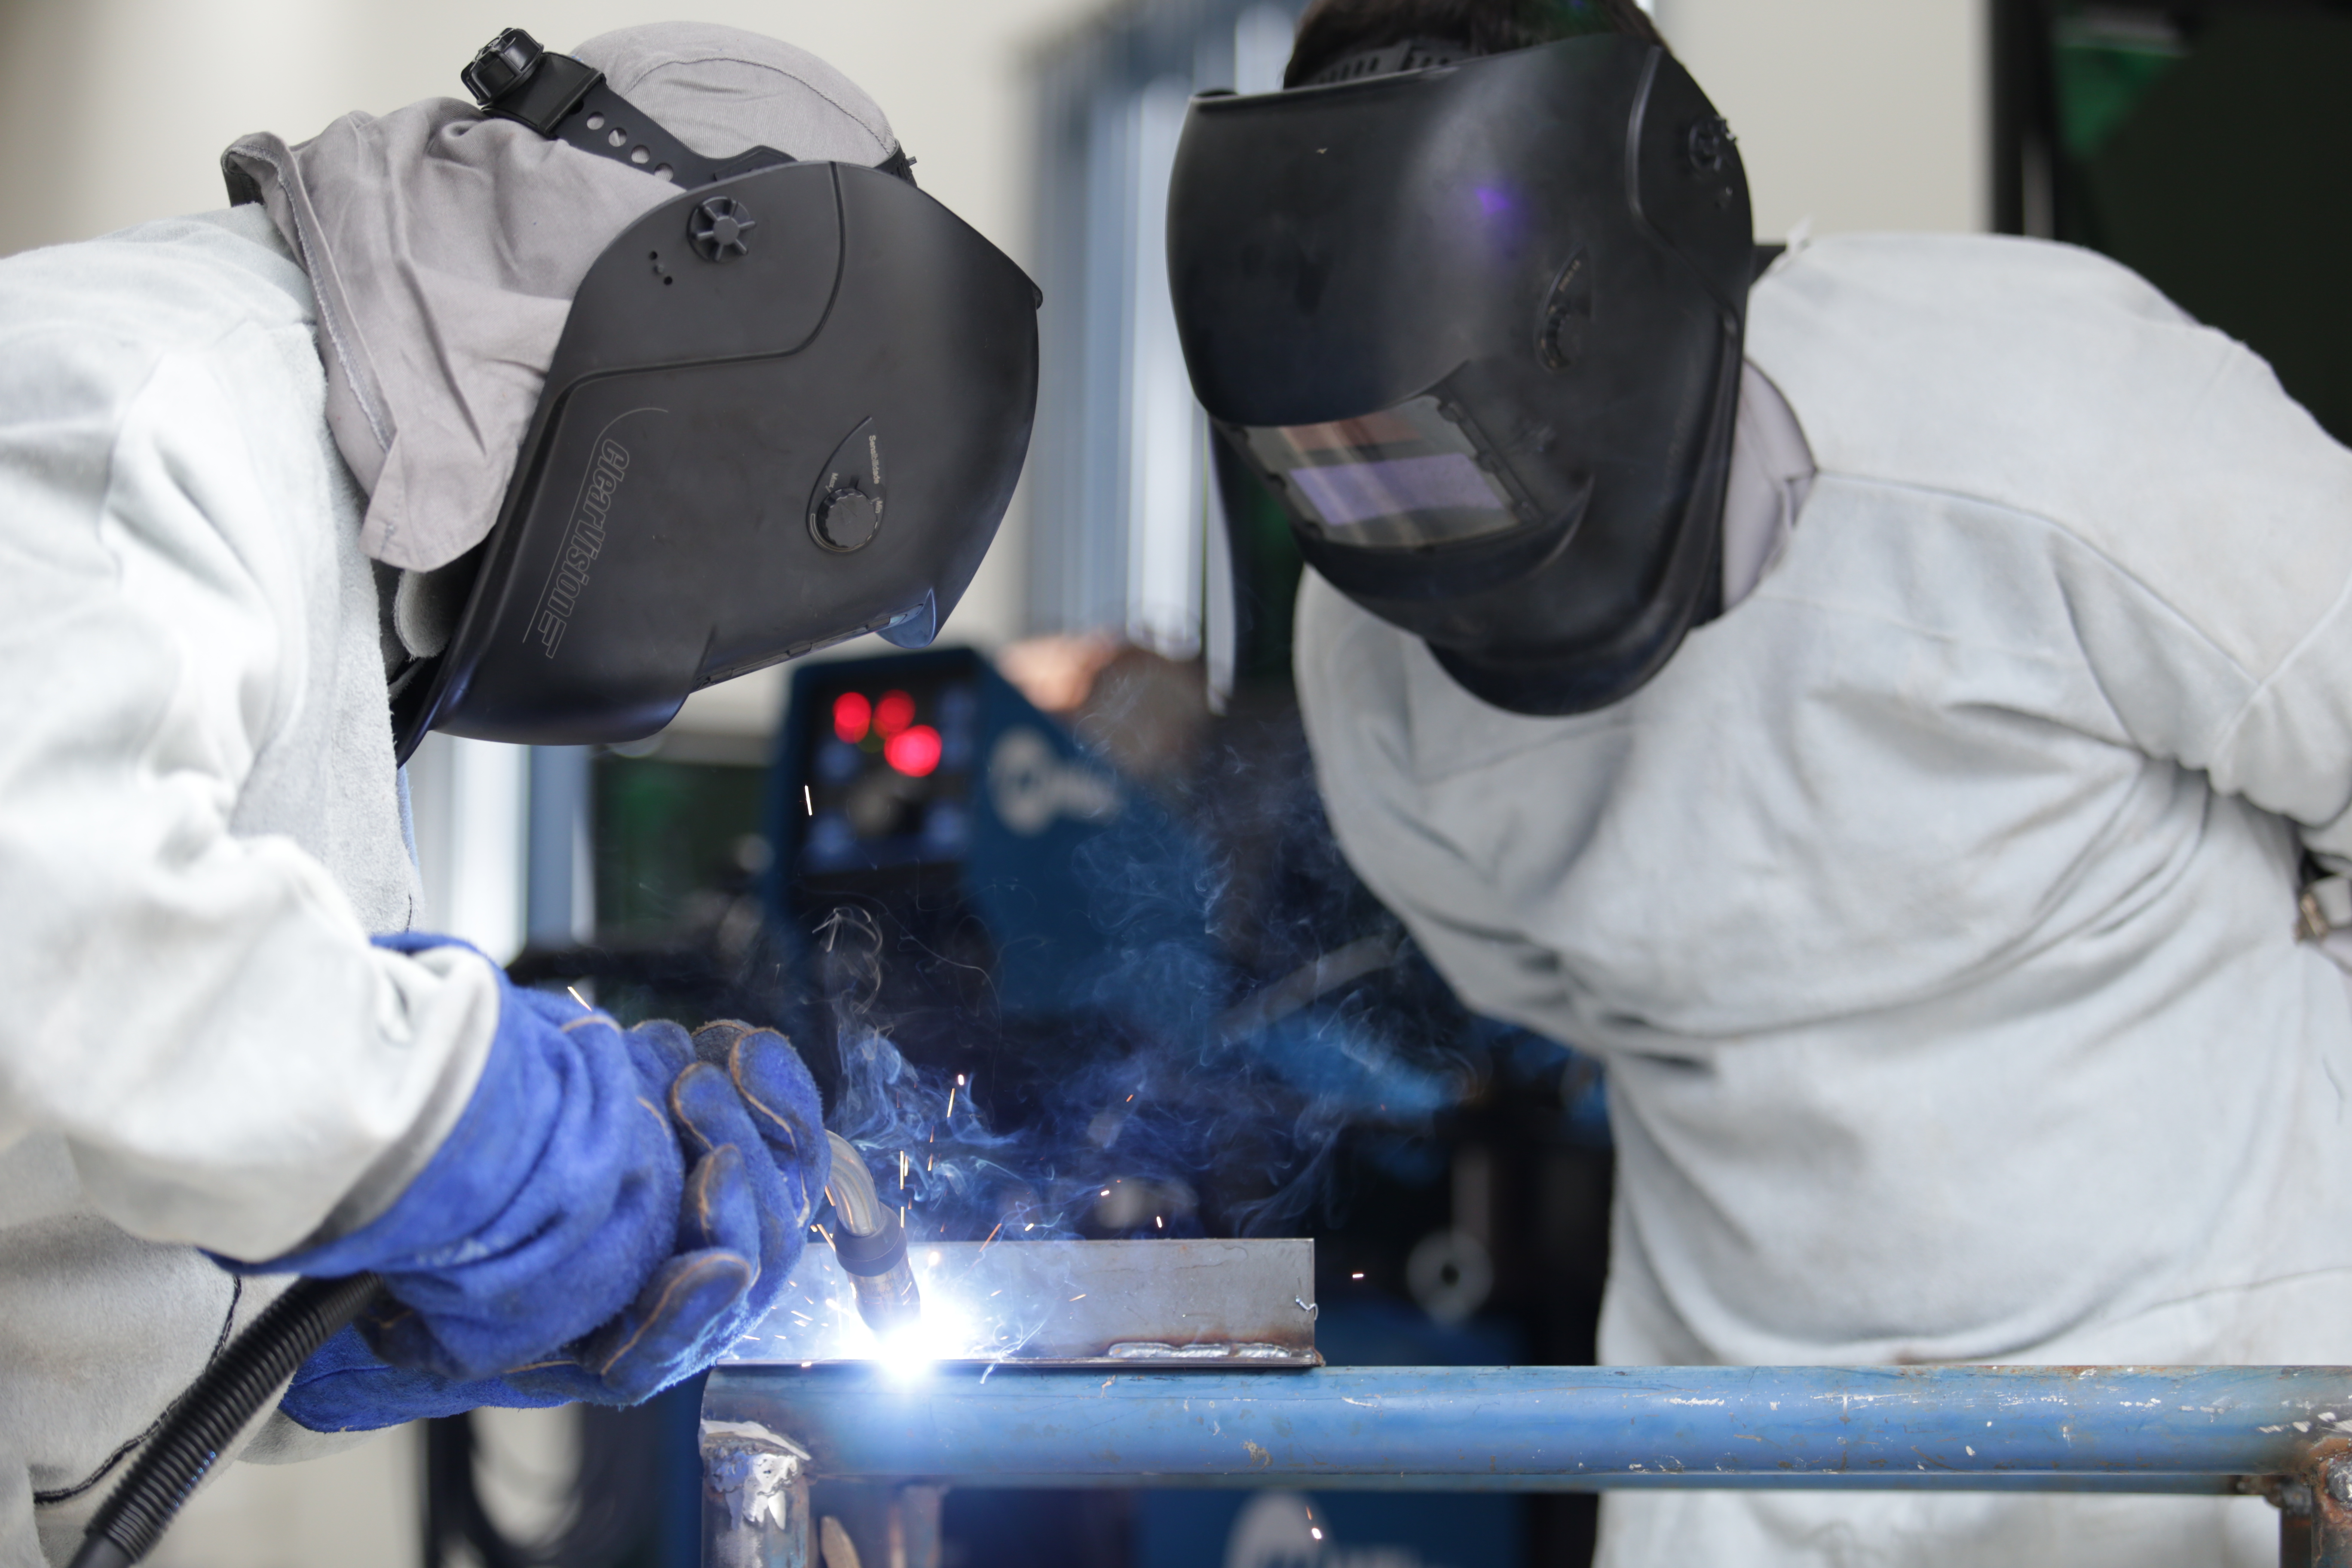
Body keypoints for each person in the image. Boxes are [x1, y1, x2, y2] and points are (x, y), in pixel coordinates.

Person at [1170, 0, 2352, 1563]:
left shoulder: (2047, 417)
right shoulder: (1370, 653)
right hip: (1742, 1444)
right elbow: (1520, 980)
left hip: (2213, 1396)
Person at [0, 24, 1034, 1568]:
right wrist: (495, 1126)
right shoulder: (145, 400)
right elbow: (57, 927)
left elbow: (85, 1159)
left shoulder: (327, 561)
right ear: (699, 294)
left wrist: (349, 1319)